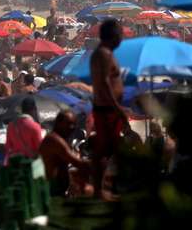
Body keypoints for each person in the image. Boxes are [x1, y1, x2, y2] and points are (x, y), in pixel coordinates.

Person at [90, 19, 129, 200]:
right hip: (107, 109)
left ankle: (110, 187)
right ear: (113, 36)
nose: (122, 38)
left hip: (108, 109)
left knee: (111, 149)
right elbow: (105, 83)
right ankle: (100, 190)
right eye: (120, 34)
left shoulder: (105, 53)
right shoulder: (103, 54)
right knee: (104, 151)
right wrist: (117, 107)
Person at [39, 110, 90, 197]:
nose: (72, 127)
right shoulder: (54, 140)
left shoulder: (60, 139)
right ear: (59, 123)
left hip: (59, 190)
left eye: (74, 124)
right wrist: (98, 164)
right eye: (69, 123)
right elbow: (77, 162)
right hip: (52, 192)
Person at [3, 96, 43, 162]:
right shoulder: (35, 126)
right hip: (29, 166)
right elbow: (40, 149)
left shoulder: (11, 125)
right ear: (34, 109)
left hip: (15, 165)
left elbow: (8, 147)